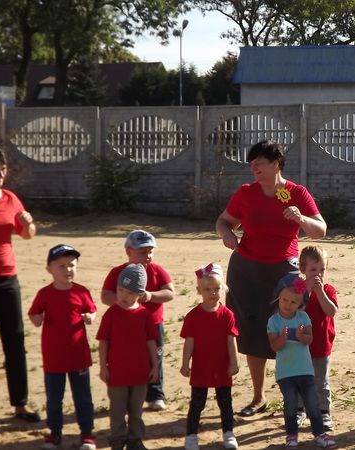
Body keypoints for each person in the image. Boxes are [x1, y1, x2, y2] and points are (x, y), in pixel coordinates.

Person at [216, 140, 326, 416]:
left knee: (292, 332)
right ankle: (258, 397)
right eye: (251, 163)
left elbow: (320, 230)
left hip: (286, 273)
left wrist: (301, 219)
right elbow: (223, 221)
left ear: (275, 163)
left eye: (259, 162)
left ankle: (297, 400)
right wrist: (227, 233)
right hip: (245, 271)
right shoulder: (245, 193)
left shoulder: (296, 192)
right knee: (253, 332)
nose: (253, 168)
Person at [0, 143, 39, 422]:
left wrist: (28, 223)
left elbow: (27, 234)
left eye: (3, 170)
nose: (2, 176)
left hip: (7, 279)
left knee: (15, 342)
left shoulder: (10, 198)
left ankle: (20, 404)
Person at [28, 244, 97, 450]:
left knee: (83, 397)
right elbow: (34, 314)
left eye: (72, 265)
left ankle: (87, 434)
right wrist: (37, 318)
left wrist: (89, 317)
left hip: (78, 355)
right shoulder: (44, 294)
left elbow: (91, 310)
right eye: (61, 266)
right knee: (54, 399)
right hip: (53, 356)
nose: (68, 270)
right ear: (49, 268)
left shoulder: (81, 291)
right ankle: (54, 434)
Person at [101, 230, 174, 411]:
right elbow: (105, 295)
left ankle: (155, 394)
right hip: (125, 326)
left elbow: (170, 292)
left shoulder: (157, 271)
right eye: (142, 252)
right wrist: (124, 301)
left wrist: (150, 296)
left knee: (154, 358)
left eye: (150, 252)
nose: (148, 256)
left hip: (153, 325)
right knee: (130, 358)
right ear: (128, 251)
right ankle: (129, 394)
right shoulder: (118, 272)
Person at [267, 278, 338, 449]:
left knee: (312, 403)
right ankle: (291, 436)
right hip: (285, 372)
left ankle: (319, 434)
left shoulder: (303, 317)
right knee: (290, 404)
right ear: (278, 298)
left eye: (293, 302)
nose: (288, 304)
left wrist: (301, 336)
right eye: (284, 300)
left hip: (305, 370)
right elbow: (274, 346)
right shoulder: (274, 321)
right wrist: (282, 338)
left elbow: (309, 339)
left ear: (300, 305)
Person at [96, 264, 159, 450]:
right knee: (117, 410)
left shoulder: (144, 315)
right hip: (117, 373)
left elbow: (151, 343)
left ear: (140, 294)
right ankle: (117, 440)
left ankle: (135, 440)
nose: (124, 296)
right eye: (120, 290)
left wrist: (155, 366)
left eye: (130, 293)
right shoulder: (111, 315)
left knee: (136, 410)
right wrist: (103, 367)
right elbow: (103, 342)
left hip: (140, 372)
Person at [181, 263, 240, 450]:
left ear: (222, 289)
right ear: (199, 290)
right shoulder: (193, 316)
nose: (213, 293)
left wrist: (234, 363)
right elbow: (189, 342)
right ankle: (191, 436)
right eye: (208, 289)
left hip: (222, 367)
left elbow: (231, 341)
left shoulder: (227, 315)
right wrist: (185, 364)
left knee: (225, 403)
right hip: (201, 367)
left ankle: (228, 433)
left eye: (216, 288)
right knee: (197, 404)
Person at [294, 246, 338, 431]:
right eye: (313, 270)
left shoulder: (328, 289)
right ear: (303, 269)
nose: (318, 274)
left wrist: (319, 293)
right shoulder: (297, 288)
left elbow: (331, 311)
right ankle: (299, 409)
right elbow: (293, 312)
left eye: (322, 269)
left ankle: (323, 412)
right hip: (299, 345)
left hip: (321, 344)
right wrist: (307, 292)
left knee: (321, 380)